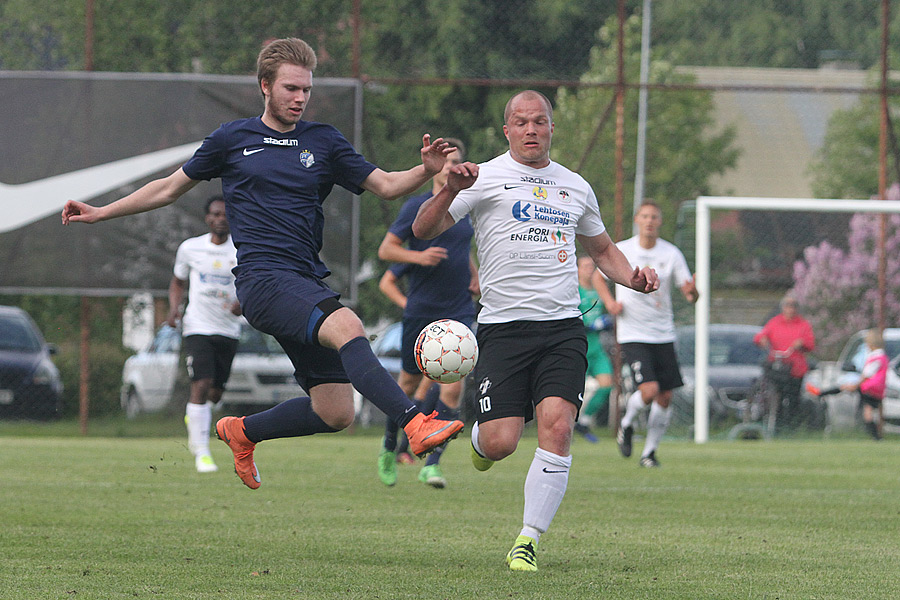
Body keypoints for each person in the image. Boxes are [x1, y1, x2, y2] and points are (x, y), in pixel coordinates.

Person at [61, 37, 464, 491]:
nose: (300, 98)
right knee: (349, 325)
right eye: (291, 88)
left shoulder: (324, 141)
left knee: (335, 411)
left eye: (306, 90)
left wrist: (425, 170)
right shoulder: (233, 139)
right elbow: (167, 188)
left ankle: (242, 432)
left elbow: (388, 186)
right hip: (262, 280)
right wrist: (100, 211)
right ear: (264, 86)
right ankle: (415, 423)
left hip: (306, 280)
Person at [411, 90, 658, 572]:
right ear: (507, 131)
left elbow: (603, 249)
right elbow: (423, 230)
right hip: (502, 330)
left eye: (539, 122)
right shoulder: (482, 178)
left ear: (550, 128)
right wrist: (448, 188)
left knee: (558, 425)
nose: (530, 130)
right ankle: (482, 442)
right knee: (500, 442)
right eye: (520, 122)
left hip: (563, 329)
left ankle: (528, 539)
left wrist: (633, 277)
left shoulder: (575, 187)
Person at [374, 138, 478, 489]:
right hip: (422, 308)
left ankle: (432, 464)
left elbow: (462, 251)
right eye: (446, 161)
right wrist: (419, 257)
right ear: (438, 167)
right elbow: (386, 250)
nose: (451, 167)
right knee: (406, 384)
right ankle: (389, 447)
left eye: (457, 161)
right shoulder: (416, 206)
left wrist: (475, 276)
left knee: (452, 387)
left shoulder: (464, 208)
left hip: (458, 308)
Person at [614, 201, 699, 468]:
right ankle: (626, 424)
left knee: (665, 396)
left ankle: (649, 453)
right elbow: (596, 277)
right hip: (633, 332)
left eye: (654, 217)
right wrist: (609, 302)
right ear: (637, 219)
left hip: (663, 333)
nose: (649, 221)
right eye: (645, 216)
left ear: (660, 222)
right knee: (649, 390)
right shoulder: (623, 249)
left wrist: (693, 291)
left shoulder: (671, 253)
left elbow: (689, 293)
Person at [166, 196, 242, 473]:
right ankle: (202, 453)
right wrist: (175, 309)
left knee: (215, 392)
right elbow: (178, 281)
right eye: (215, 214)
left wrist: (242, 304)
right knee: (200, 383)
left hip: (228, 329)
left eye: (225, 214)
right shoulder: (191, 248)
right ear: (207, 218)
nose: (220, 218)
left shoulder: (242, 250)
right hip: (197, 326)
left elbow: (254, 284)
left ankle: (195, 416)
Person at [807, 328, 887, 440]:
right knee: (847, 390)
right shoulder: (882, 356)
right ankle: (820, 393)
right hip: (875, 388)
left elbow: (867, 374)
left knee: (865, 411)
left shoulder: (876, 357)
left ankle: (820, 393)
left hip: (870, 388)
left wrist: (856, 384)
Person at [753, 295, 815, 431]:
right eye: (788, 306)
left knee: (793, 398)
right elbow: (760, 335)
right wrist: (762, 339)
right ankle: (776, 426)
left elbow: (810, 343)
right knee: (776, 396)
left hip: (795, 370)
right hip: (778, 367)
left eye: (793, 306)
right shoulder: (775, 323)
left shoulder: (803, 325)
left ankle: (791, 426)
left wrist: (801, 343)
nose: (790, 309)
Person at [573, 255, 617, 443]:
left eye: (592, 266)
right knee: (574, 392)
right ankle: (568, 425)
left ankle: (583, 420)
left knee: (607, 385)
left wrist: (607, 322)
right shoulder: (574, 290)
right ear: (577, 269)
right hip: (579, 347)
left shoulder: (598, 290)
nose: (589, 269)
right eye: (585, 266)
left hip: (596, 348)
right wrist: (589, 325)